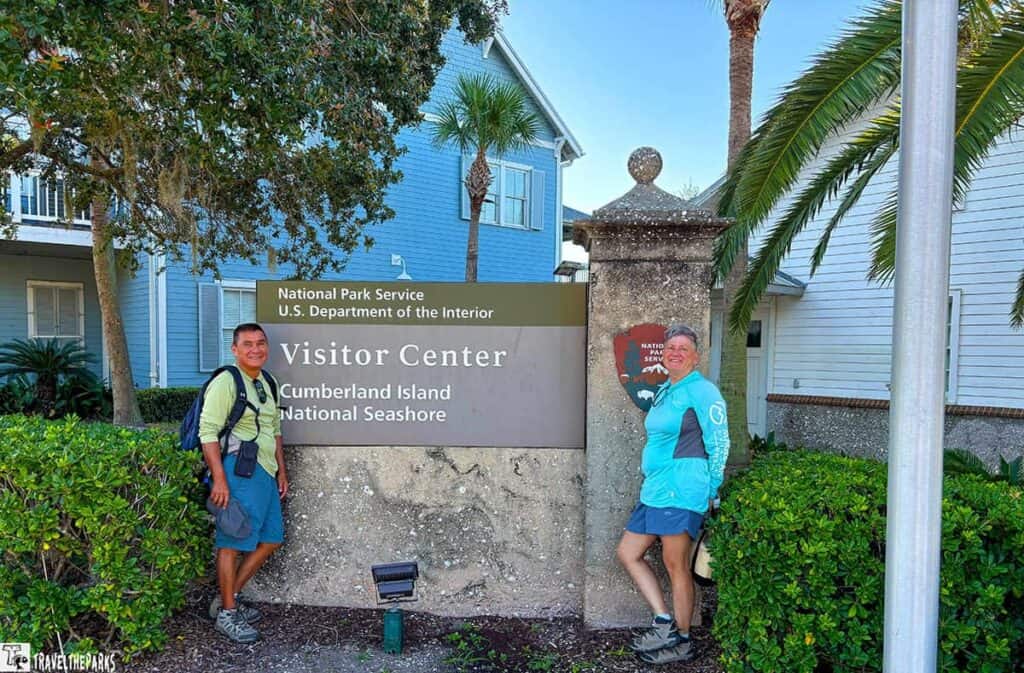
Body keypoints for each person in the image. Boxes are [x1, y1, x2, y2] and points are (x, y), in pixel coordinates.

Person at [616, 323, 729, 665]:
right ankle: (664, 621)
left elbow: (720, 442)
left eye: (683, 348)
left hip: (682, 489)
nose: (675, 352)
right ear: (663, 354)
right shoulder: (668, 388)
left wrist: (712, 490)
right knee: (628, 552)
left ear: (696, 356)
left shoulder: (703, 391)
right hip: (656, 489)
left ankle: (682, 640)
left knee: (675, 564)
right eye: (670, 347)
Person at [200, 322, 289, 643]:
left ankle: (229, 597)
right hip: (237, 471)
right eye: (248, 344)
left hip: (264, 471)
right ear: (235, 349)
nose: (256, 349)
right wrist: (220, 480)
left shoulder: (268, 381)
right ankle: (227, 613)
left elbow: (274, 429)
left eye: (261, 343)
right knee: (232, 541)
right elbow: (207, 432)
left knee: (271, 538)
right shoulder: (227, 382)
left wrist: (282, 469)